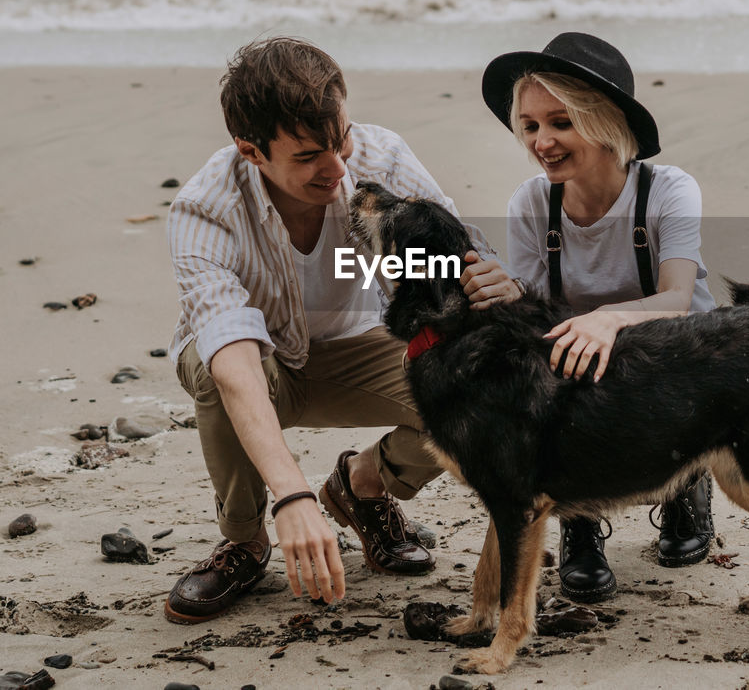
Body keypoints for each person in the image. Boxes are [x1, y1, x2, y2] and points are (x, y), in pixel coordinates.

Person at [163, 36, 519, 623]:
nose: (338, 169)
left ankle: (362, 485)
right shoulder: (206, 209)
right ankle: (246, 544)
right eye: (308, 157)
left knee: (481, 384)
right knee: (211, 364)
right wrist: (292, 497)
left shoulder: (381, 157)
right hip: (260, 364)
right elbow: (232, 358)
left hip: (360, 348)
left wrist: (490, 279)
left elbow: (453, 258)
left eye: (342, 139)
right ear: (251, 152)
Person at [482, 32, 717, 603]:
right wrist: (497, 289)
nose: (543, 141)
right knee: (543, 365)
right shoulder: (531, 204)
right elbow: (533, 309)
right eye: (531, 125)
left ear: (607, 121)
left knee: (672, 363)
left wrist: (607, 319)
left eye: (561, 122)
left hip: (676, 353)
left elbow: (678, 297)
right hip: (580, 357)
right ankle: (578, 524)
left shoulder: (669, 191)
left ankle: (687, 482)